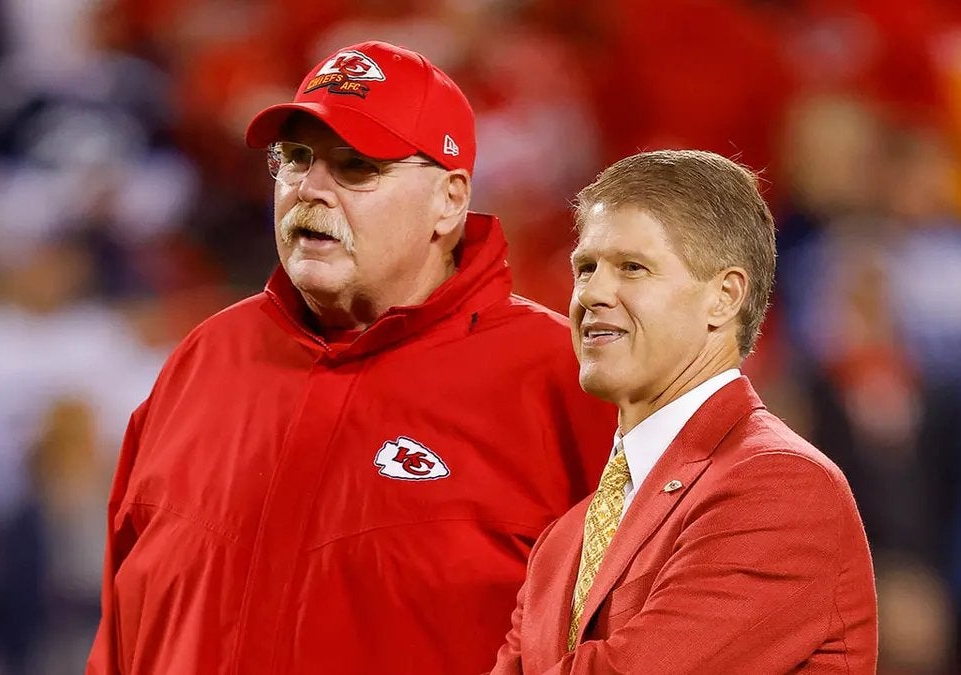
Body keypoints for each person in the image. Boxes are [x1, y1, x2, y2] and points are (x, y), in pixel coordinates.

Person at [86, 40, 615, 675]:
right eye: (295, 158)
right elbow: (120, 635)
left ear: (449, 199)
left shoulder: (567, 378)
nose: (309, 189)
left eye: (356, 167)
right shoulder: (205, 359)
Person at [492, 150, 879, 674]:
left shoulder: (779, 486)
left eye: (632, 268)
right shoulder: (562, 542)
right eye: (585, 268)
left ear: (724, 297)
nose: (591, 293)